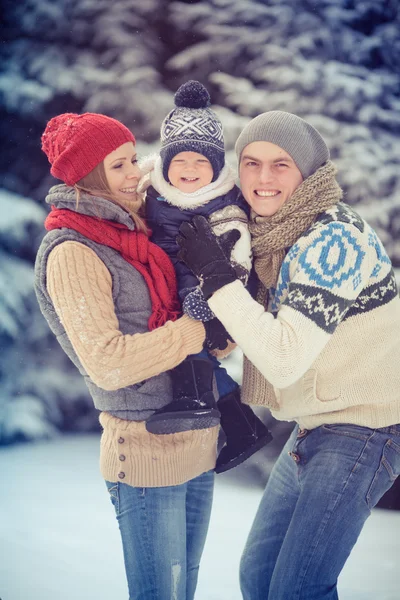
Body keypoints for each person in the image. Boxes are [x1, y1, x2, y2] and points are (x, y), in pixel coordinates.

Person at [176, 110, 400, 599]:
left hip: (363, 431)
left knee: (298, 590)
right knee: (259, 578)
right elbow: (263, 330)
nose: (263, 178)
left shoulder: (332, 239)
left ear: (308, 173)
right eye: (252, 163)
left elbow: (282, 358)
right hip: (315, 424)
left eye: (281, 165)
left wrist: (216, 279)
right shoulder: (276, 238)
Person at [35, 112, 219, 600]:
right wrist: (193, 330)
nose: (136, 172)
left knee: (186, 591)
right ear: (91, 177)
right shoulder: (73, 250)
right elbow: (108, 362)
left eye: (133, 159)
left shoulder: (144, 237)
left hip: (196, 440)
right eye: (118, 166)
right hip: (142, 451)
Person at [141, 80, 272, 473]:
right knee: (183, 339)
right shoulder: (152, 191)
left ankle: (196, 398)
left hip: (204, 285)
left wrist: (209, 295)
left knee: (187, 339)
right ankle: (242, 424)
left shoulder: (224, 203)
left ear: (216, 167)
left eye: (201, 162)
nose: (190, 170)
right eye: (180, 161)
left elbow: (239, 252)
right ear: (165, 163)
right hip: (166, 283)